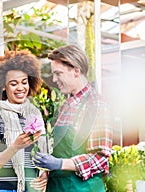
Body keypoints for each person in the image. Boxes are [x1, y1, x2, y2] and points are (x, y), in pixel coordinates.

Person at [32, 44, 113, 192]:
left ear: (76, 71)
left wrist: (60, 164)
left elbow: (101, 158)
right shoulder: (65, 106)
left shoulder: (95, 105)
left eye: (58, 73)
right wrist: (47, 172)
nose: (54, 79)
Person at [0, 50, 48, 192]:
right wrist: (14, 148)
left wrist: (46, 175)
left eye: (24, 82)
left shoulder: (35, 115)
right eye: (13, 83)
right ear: (3, 86)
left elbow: (44, 154)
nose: (20, 88)